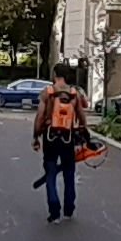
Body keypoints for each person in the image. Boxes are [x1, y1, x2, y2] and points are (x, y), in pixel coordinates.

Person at [32, 65, 91, 223]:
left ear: (55, 74)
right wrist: (84, 134)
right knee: (69, 172)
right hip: (68, 138)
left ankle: (54, 209)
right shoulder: (74, 94)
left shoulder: (48, 93)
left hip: (50, 137)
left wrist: (36, 137)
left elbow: (39, 117)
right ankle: (69, 208)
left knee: (50, 173)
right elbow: (82, 117)